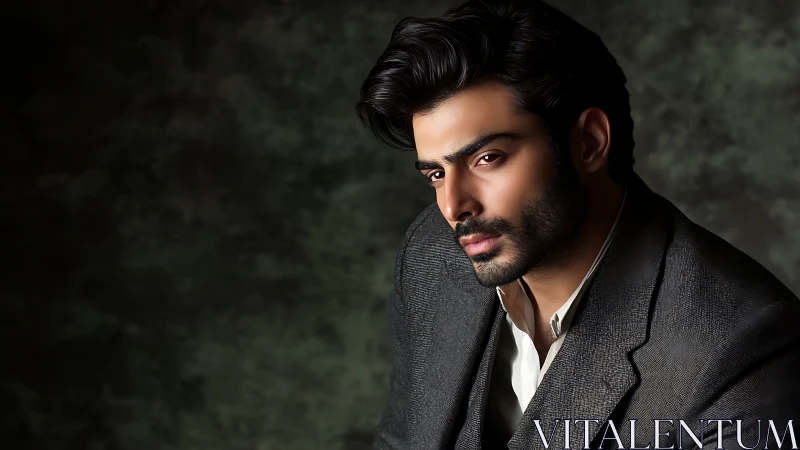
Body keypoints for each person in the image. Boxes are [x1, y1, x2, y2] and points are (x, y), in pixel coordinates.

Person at [354, 1, 800, 448]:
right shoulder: (433, 254)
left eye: (487, 158)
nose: (454, 206)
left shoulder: (743, 347)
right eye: (436, 173)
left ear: (589, 142)